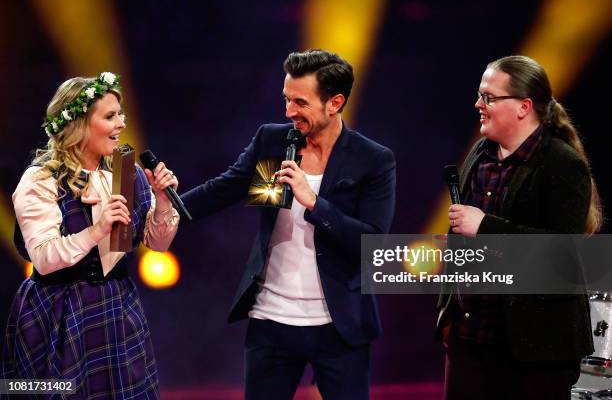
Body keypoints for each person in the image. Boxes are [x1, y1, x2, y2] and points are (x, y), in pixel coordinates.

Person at [181, 49, 396, 399]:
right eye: (286, 100)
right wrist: (168, 212)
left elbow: (372, 245)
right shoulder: (273, 140)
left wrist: (314, 203)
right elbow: (223, 189)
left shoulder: (372, 159)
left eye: (300, 102)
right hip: (271, 322)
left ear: (335, 102)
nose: (288, 111)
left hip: (339, 327)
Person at [1, 72, 180, 399]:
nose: (120, 124)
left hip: (116, 306)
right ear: (79, 124)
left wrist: (164, 201)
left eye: (121, 115)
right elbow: (44, 258)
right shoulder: (41, 180)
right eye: (110, 116)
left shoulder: (128, 172)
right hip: (58, 309)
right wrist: (97, 230)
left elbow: (158, 243)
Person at [437, 55, 602, 399]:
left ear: (524, 106)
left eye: (489, 97)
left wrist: (486, 227)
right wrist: (448, 311)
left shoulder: (562, 164)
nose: (478, 104)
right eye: (481, 95)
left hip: (534, 351)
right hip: (470, 340)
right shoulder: (480, 153)